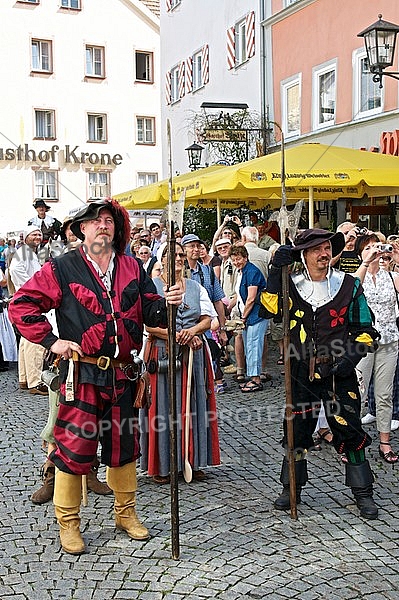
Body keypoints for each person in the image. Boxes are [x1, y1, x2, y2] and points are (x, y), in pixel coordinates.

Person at [9, 198, 183, 555]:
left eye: (109, 220)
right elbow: (21, 306)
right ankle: (68, 522)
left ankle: (125, 513)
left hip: (123, 375)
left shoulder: (133, 267)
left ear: (117, 229)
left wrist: (169, 302)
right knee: (74, 449)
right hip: (81, 373)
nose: (103, 225)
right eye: (95, 220)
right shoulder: (61, 268)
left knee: (123, 448)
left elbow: (151, 310)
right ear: (81, 230)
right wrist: (53, 341)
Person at [260, 228, 380, 520]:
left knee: (349, 429)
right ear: (304, 254)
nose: (324, 254)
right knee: (297, 431)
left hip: (339, 373)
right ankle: (292, 489)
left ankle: (363, 493)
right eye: (316, 249)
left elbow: (367, 332)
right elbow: (269, 309)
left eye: (327, 248)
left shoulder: (348, 286)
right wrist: (276, 269)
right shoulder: (291, 286)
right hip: (299, 371)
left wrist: (348, 359)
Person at [139, 242, 220, 483]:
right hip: (161, 354)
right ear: (161, 259)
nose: (177, 258)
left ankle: (191, 462)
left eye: (181, 255)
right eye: (171, 254)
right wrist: (173, 335)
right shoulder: (150, 288)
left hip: (193, 356)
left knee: (193, 405)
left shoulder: (195, 287)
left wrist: (192, 331)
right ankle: (162, 465)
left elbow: (208, 319)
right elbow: (146, 323)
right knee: (162, 407)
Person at [351, 235, 399, 463]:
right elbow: (350, 292)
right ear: (360, 252)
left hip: (389, 341)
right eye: (368, 247)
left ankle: (385, 441)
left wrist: (396, 258)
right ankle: (353, 442)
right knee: (357, 393)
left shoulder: (391, 276)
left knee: (384, 394)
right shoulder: (356, 276)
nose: (374, 251)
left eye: (376, 247)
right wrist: (365, 263)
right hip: (362, 343)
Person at [9, 225, 48, 395]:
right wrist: (30, 286)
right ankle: (36, 381)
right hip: (29, 298)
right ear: (25, 237)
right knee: (36, 338)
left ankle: (25, 378)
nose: (37, 237)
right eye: (34, 234)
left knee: (26, 339)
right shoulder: (25, 251)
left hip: (26, 297)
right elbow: (14, 269)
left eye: (39, 233)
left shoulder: (30, 252)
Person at [228, 245, 267, 392]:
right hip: (249, 315)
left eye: (238, 259)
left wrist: (243, 318)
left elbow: (251, 298)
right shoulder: (242, 272)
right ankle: (253, 377)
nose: (236, 262)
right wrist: (228, 308)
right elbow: (239, 294)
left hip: (256, 315)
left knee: (253, 345)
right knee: (249, 345)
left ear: (245, 257)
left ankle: (256, 380)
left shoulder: (252, 271)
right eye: (233, 260)